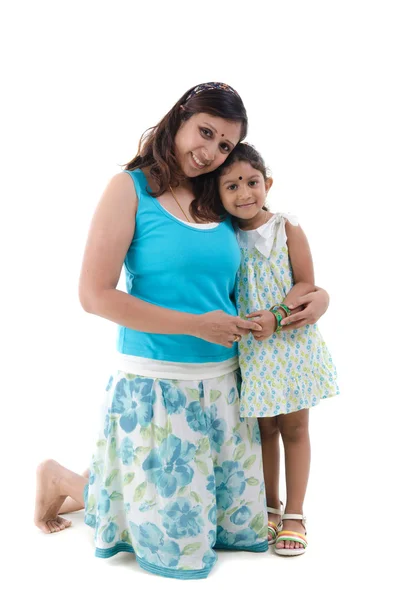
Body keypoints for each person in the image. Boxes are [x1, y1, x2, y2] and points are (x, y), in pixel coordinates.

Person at [34, 84, 331, 578]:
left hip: (228, 389)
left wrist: (317, 295)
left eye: (224, 146)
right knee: (177, 541)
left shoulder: (220, 196)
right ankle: (61, 479)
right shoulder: (127, 189)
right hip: (155, 386)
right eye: (206, 132)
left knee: (238, 529)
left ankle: (98, 479)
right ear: (180, 119)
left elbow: (267, 261)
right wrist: (196, 325)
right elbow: (94, 296)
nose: (210, 151)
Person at [209, 142, 339, 556]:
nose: (244, 193)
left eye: (251, 183)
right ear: (219, 194)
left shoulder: (286, 226)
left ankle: (295, 514)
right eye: (232, 187)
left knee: (295, 428)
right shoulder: (225, 235)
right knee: (264, 429)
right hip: (252, 351)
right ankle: (268, 507)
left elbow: (306, 282)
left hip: (290, 343)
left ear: (267, 183)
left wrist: (277, 315)